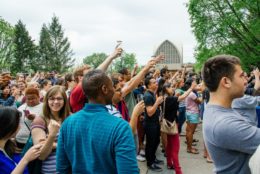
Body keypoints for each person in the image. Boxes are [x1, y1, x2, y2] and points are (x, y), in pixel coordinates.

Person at [57, 69, 139, 173]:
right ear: (104, 89)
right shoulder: (120, 127)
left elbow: (61, 168)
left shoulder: (67, 123)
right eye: (112, 86)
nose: (114, 90)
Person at [202, 55, 260, 174]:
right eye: (241, 76)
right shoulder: (224, 123)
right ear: (226, 82)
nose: (245, 81)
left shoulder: (216, 110)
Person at [31, 86, 70, 174]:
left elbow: (77, 144)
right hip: (51, 171)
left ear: (64, 101)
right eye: (52, 99)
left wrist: (54, 145)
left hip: (71, 169)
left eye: (59, 99)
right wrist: (52, 135)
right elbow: (42, 155)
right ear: (47, 101)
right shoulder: (40, 121)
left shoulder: (71, 118)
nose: (56, 102)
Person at [161, 81, 196, 173]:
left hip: (167, 125)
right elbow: (183, 96)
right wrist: (191, 88)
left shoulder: (164, 98)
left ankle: (169, 163)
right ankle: (178, 171)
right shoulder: (171, 99)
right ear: (166, 89)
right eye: (171, 87)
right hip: (172, 125)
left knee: (169, 146)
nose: (173, 88)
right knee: (175, 148)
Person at [0, 107, 41, 174]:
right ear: (8, 125)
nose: (20, 127)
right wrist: (26, 159)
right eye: (18, 123)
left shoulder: (9, 147)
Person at [143, 76, 164, 172]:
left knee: (156, 142)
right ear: (148, 85)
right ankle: (150, 163)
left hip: (155, 123)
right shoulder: (147, 95)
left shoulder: (152, 94)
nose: (156, 83)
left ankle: (153, 158)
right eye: (154, 82)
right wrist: (157, 102)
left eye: (156, 82)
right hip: (150, 124)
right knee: (150, 144)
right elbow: (150, 112)